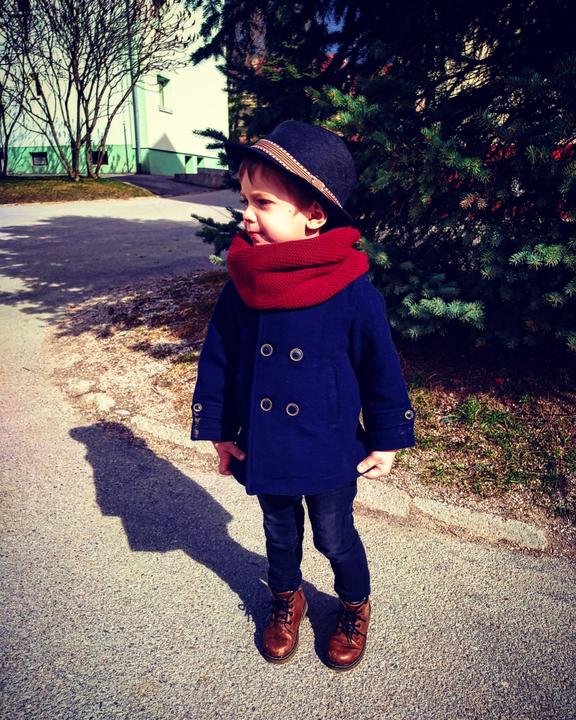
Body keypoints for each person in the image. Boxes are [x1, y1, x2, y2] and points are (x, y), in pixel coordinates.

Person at [190, 120, 415, 671]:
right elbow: (219, 362)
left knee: (335, 538)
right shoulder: (244, 285)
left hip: (329, 445)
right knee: (280, 533)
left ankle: (354, 604)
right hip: (265, 442)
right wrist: (219, 430)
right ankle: (286, 598)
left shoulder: (352, 289)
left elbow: (380, 371)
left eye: (263, 203)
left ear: (314, 214)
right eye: (245, 200)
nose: (246, 215)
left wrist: (386, 440)